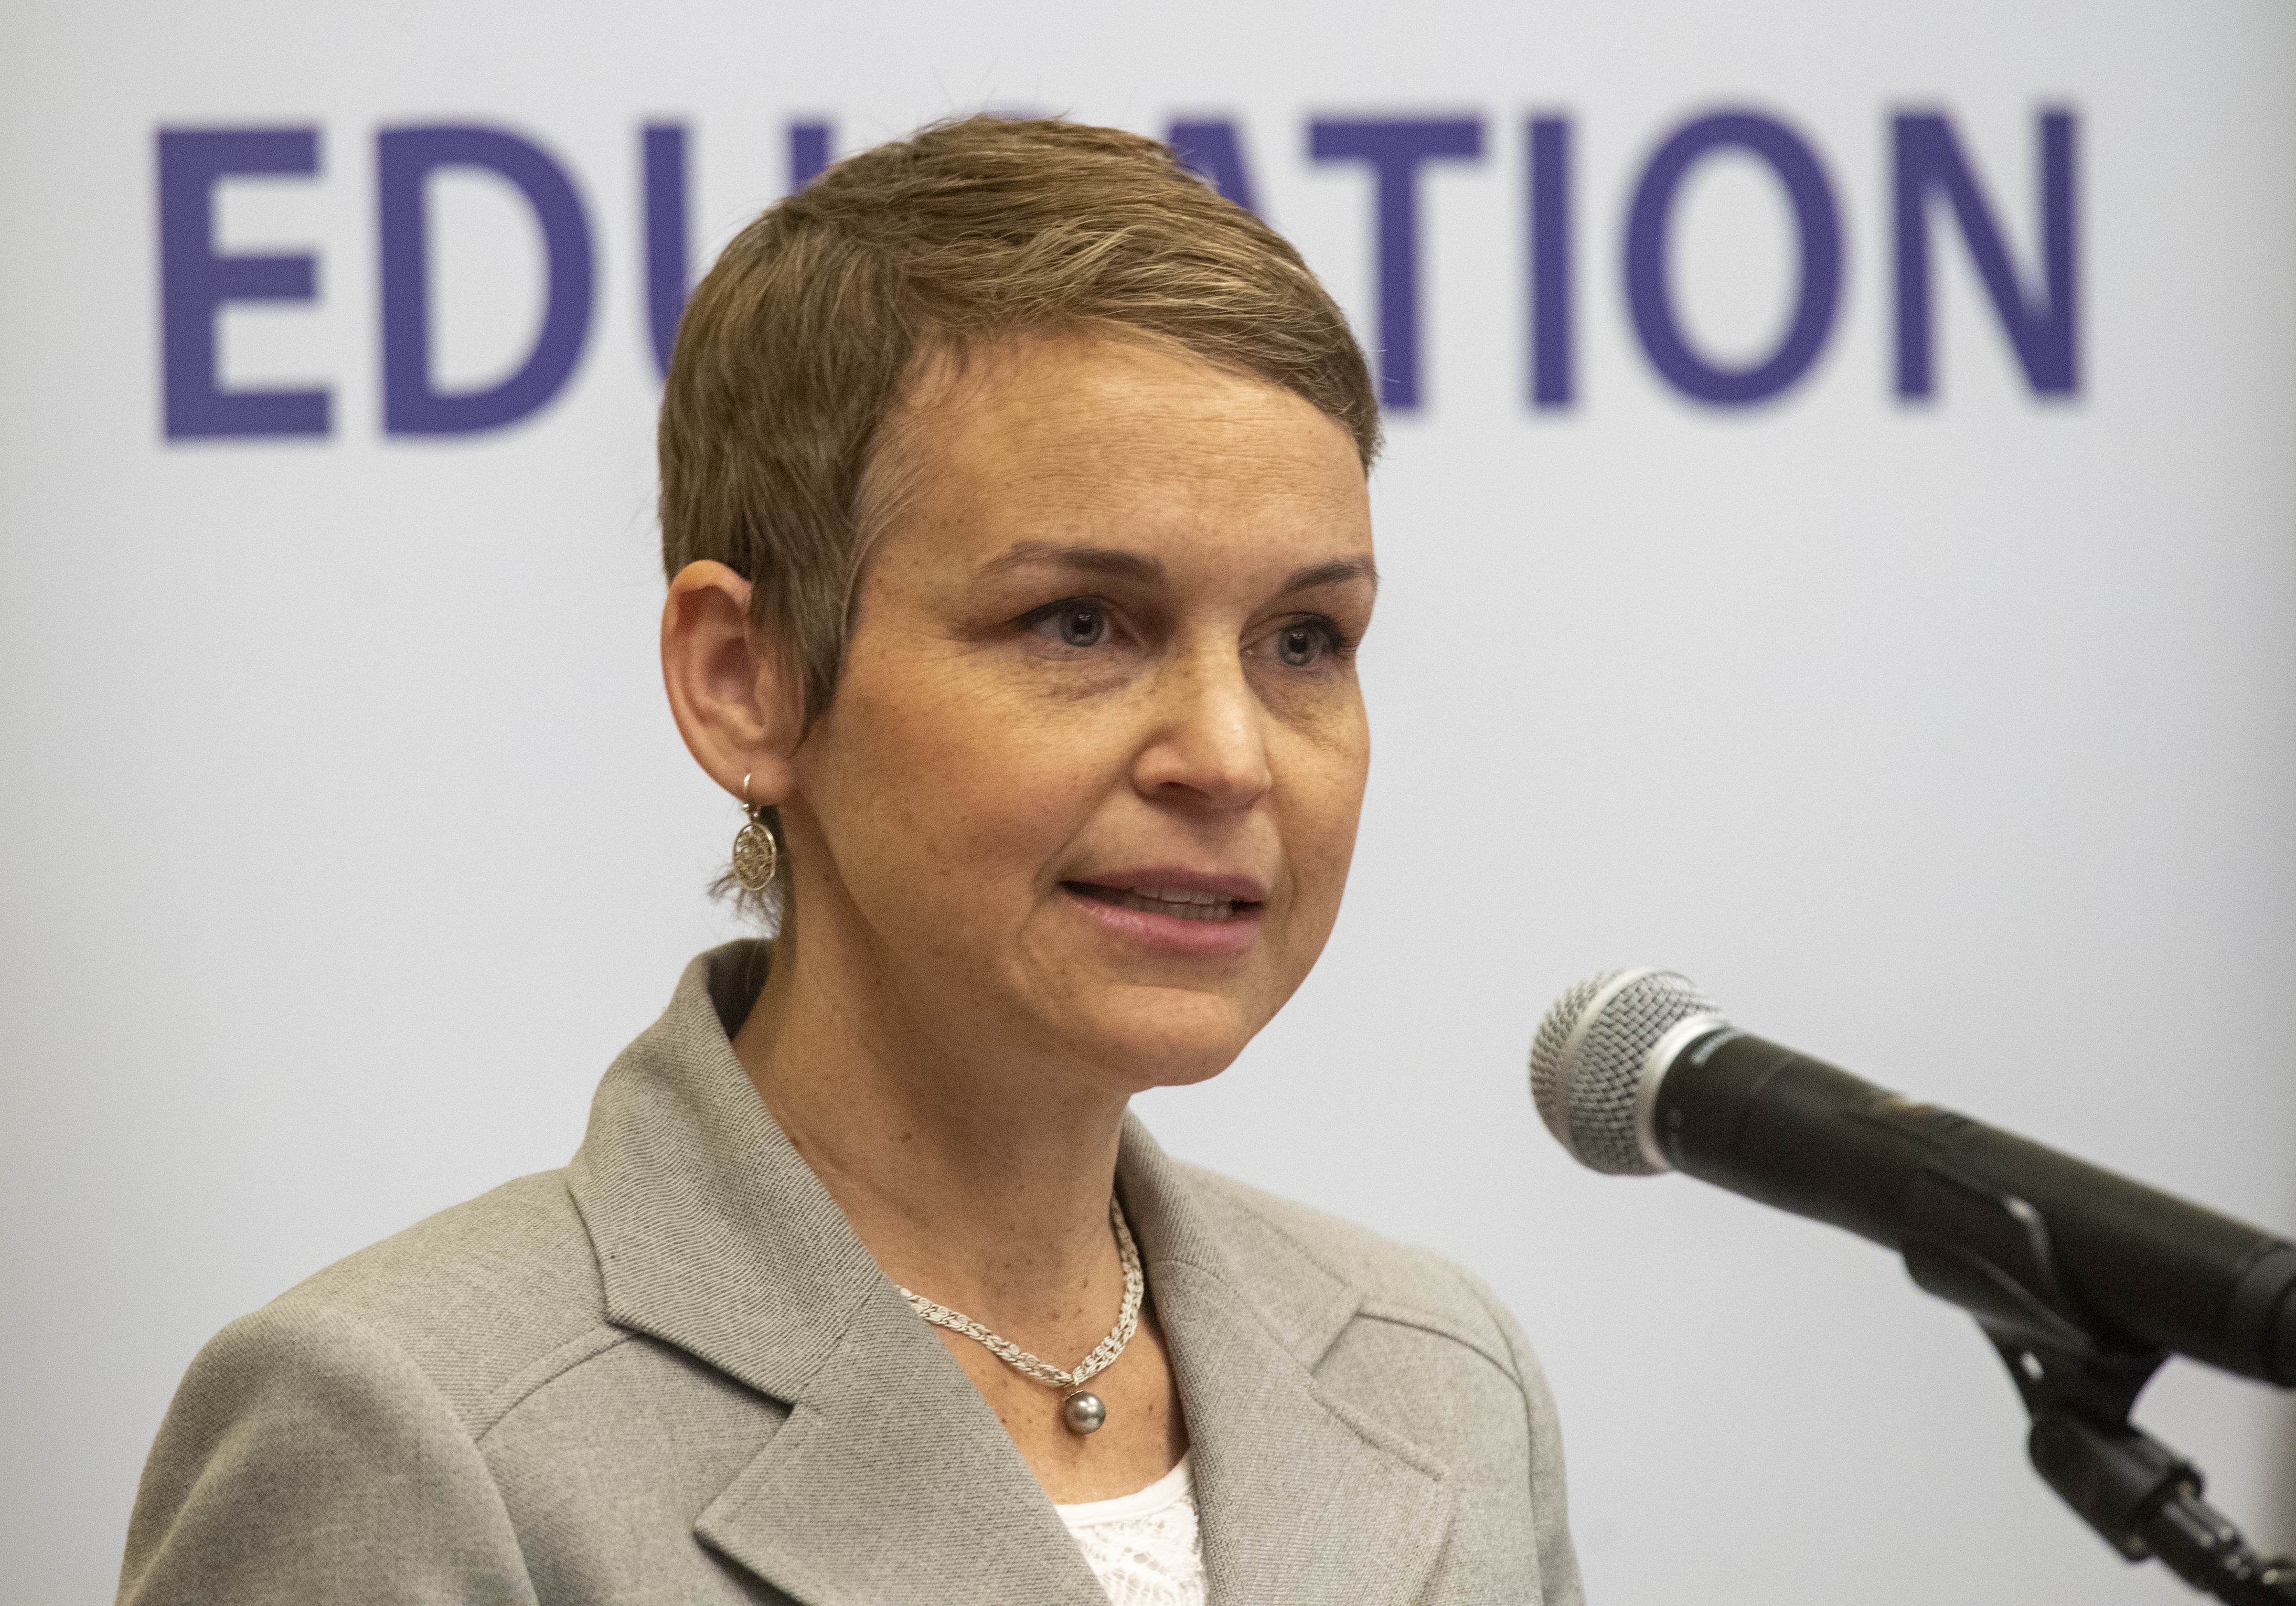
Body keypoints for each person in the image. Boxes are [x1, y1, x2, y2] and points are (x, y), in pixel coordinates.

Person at [118, 115, 1580, 1606]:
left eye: (1302, 641)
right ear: (745, 680)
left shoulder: (1442, 1381)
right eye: (1079, 622)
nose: (1228, 753)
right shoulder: (405, 1429)